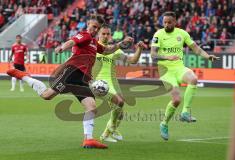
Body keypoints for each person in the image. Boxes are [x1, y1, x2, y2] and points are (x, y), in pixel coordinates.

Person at [7, 15, 134, 149]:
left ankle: (88, 140)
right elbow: (72, 41)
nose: (95, 29)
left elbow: (108, 50)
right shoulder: (84, 35)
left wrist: (121, 43)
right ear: (88, 24)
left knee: (91, 106)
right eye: (93, 26)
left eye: (97, 28)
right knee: (46, 95)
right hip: (72, 73)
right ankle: (25, 76)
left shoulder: (94, 43)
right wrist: (62, 47)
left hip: (84, 79)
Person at [150, 11, 219, 141]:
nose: (166, 24)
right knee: (176, 100)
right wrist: (167, 57)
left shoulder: (182, 33)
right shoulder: (158, 34)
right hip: (165, 70)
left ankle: (185, 112)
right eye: (164, 22)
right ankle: (164, 123)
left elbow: (196, 49)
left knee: (193, 79)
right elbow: (153, 54)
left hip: (179, 68)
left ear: (175, 22)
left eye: (169, 22)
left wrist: (208, 56)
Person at [92, 25, 146, 142]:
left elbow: (132, 61)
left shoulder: (114, 50)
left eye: (108, 34)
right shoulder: (94, 47)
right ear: (98, 35)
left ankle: (107, 134)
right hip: (97, 84)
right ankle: (111, 127)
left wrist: (139, 49)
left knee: (120, 113)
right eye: (103, 34)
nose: (106, 36)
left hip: (112, 82)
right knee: (119, 102)